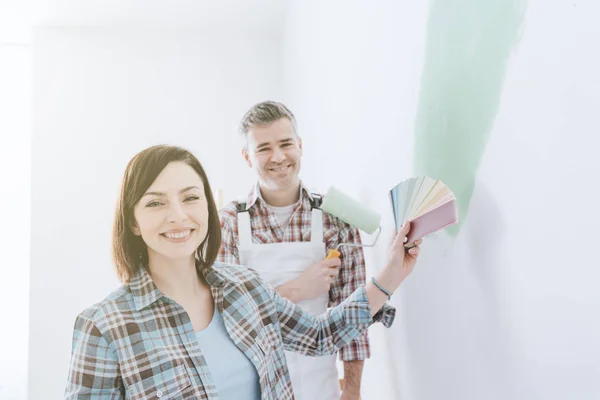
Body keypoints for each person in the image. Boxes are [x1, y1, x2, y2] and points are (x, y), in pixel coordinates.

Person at [64, 145, 422, 399]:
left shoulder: (245, 287)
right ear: (134, 222)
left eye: (190, 197)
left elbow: (319, 335)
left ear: (208, 206)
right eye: (156, 203)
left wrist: (391, 274)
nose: (177, 215)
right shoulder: (105, 327)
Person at [218, 101, 370, 399]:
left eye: (286, 143)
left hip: (320, 387)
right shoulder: (228, 224)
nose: (278, 157)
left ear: (299, 145)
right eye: (263, 148)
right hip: (252, 388)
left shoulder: (336, 219)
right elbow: (227, 319)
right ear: (247, 156)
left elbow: (355, 316)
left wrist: (352, 390)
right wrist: (296, 290)